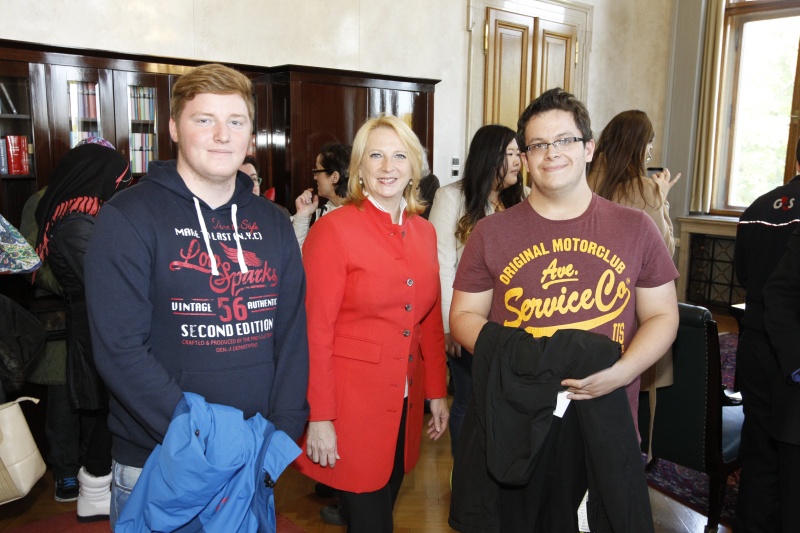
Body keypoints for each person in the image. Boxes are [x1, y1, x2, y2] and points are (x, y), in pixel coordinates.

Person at [83, 63, 309, 528]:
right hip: (160, 458)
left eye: (236, 121)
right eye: (204, 119)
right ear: (173, 128)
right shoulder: (128, 217)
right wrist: (202, 435)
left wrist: (283, 432)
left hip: (252, 455)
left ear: (251, 135)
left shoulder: (273, 222)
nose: (222, 135)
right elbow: (120, 350)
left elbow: (291, 337)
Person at [448, 88, 679, 530]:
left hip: (604, 420)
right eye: (537, 145)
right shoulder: (490, 233)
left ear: (588, 148)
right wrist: (523, 361)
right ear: (524, 159)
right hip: (517, 423)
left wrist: (622, 372)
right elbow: (462, 317)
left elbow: (662, 316)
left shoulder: (636, 228)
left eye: (565, 140)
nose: (551, 153)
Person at [293, 115, 449, 533]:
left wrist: (437, 391)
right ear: (359, 168)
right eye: (376, 155)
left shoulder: (424, 232)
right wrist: (319, 417)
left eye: (399, 156)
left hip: (405, 405)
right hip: (350, 410)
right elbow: (314, 332)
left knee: (384, 506)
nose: (387, 167)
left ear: (414, 168)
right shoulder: (333, 230)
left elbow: (429, 321)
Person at [33, 138, 132, 521]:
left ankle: (98, 485)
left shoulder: (86, 216)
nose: (121, 185)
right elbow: (107, 281)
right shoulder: (77, 222)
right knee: (106, 410)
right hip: (96, 330)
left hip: (97, 326)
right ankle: (94, 485)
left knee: (105, 411)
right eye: (119, 178)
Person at [587, 109, 682, 457]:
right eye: (650, 143)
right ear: (639, 145)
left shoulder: (585, 180)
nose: (652, 151)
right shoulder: (643, 188)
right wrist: (662, 197)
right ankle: (634, 454)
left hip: (588, 300)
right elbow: (664, 253)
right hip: (634, 302)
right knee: (634, 380)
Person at [428, 124, 526, 456]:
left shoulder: (524, 199)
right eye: (509, 154)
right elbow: (442, 266)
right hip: (469, 320)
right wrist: (449, 325)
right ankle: (465, 474)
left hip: (515, 323)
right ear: (488, 157)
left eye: (518, 153)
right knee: (469, 399)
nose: (517, 161)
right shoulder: (451, 198)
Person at [734, 136, 800, 532]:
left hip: (754, 342)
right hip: (790, 351)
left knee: (758, 449)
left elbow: (743, 275)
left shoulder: (757, 206)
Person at [292, 142, 352, 249]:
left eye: (317, 171)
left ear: (334, 177)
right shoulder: (328, 209)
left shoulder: (352, 219)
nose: (315, 177)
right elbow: (299, 254)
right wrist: (302, 216)